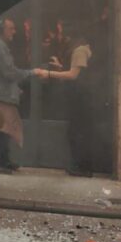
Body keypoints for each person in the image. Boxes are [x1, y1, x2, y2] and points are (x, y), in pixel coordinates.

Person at [0, 18, 47, 174]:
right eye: (11, 28)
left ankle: (3, 160)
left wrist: (15, 88)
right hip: (1, 95)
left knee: (5, 128)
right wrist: (32, 72)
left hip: (2, 93)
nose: (14, 32)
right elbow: (9, 72)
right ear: (1, 29)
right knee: (0, 129)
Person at [43, 24, 95, 177]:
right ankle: (80, 165)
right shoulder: (80, 49)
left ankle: (82, 167)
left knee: (79, 131)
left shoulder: (79, 50)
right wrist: (59, 66)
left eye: (63, 35)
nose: (61, 39)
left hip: (81, 97)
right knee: (77, 130)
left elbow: (73, 75)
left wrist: (49, 73)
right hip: (80, 96)